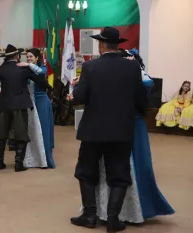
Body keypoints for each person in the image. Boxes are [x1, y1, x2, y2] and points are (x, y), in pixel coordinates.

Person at [68, 27, 148, 232]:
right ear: (117, 45)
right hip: (121, 130)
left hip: (93, 130)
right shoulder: (132, 68)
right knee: (120, 174)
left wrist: (73, 94)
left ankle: (89, 215)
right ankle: (113, 219)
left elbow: (80, 98)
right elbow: (142, 100)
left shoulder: (90, 67)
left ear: (101, 45)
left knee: (85, 171)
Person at [89, 48, 174, 224]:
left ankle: (138, 208)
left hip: (135, 127)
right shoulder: (116, 77)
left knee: (138, 166)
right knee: (112, 168)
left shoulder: (143, 79)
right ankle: (111, 211)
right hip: (116, 126)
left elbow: (143, 103)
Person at [0, 44, 51, 172]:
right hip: (20, 103)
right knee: (21, 133)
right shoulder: (22, 68)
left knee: (2, 134)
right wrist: (48, 86)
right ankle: (19, 163)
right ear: (17, 56)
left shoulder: (1, 69)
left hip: (4, 104)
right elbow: (40, 80)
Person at [17, 48, 55, 168]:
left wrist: (27, 65)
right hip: (30, 101)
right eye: (27, 57)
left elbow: (41, 73)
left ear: (37, 58)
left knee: (43, 129)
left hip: (42, 101)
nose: (28, 59)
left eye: (31, 57)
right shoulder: (25, 69)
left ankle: (44, 159)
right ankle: (32, 158)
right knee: (31, 130)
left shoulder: (42, 67)